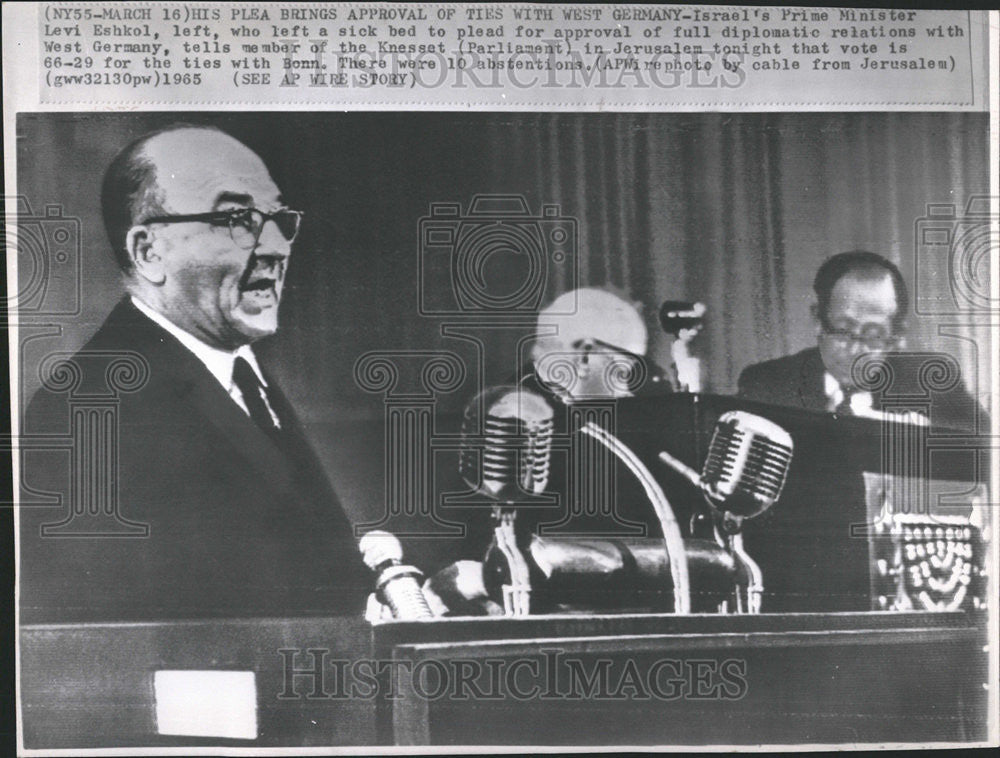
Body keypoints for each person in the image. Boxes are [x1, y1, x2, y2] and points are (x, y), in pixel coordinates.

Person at [19, 124, 368, 622]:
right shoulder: (87, 411)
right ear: (148, 252)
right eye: (238, 219)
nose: (277, 247)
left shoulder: (244, 375)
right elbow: (105, 643)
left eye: (279, 219)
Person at [738, 251, 983, 428]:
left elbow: (987, 456)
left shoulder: (931, 383)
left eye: (874, 335)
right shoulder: (768, 384)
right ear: (818, 321)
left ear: (897, 337)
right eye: (844, 331)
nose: (855, 350)